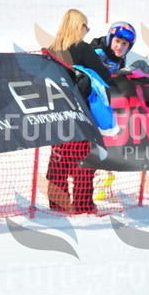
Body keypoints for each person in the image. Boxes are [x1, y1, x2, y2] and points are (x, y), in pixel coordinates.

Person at [45, 12, 135, 214]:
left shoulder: (52, 49)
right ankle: (83, 206)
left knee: (58, 161)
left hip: (57, 112)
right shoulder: (83, 48)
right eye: (86, 26)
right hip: (81, 113)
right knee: (83, 161)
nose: (87, 30)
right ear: (79, 26)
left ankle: (58, 207)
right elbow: (104, 76)